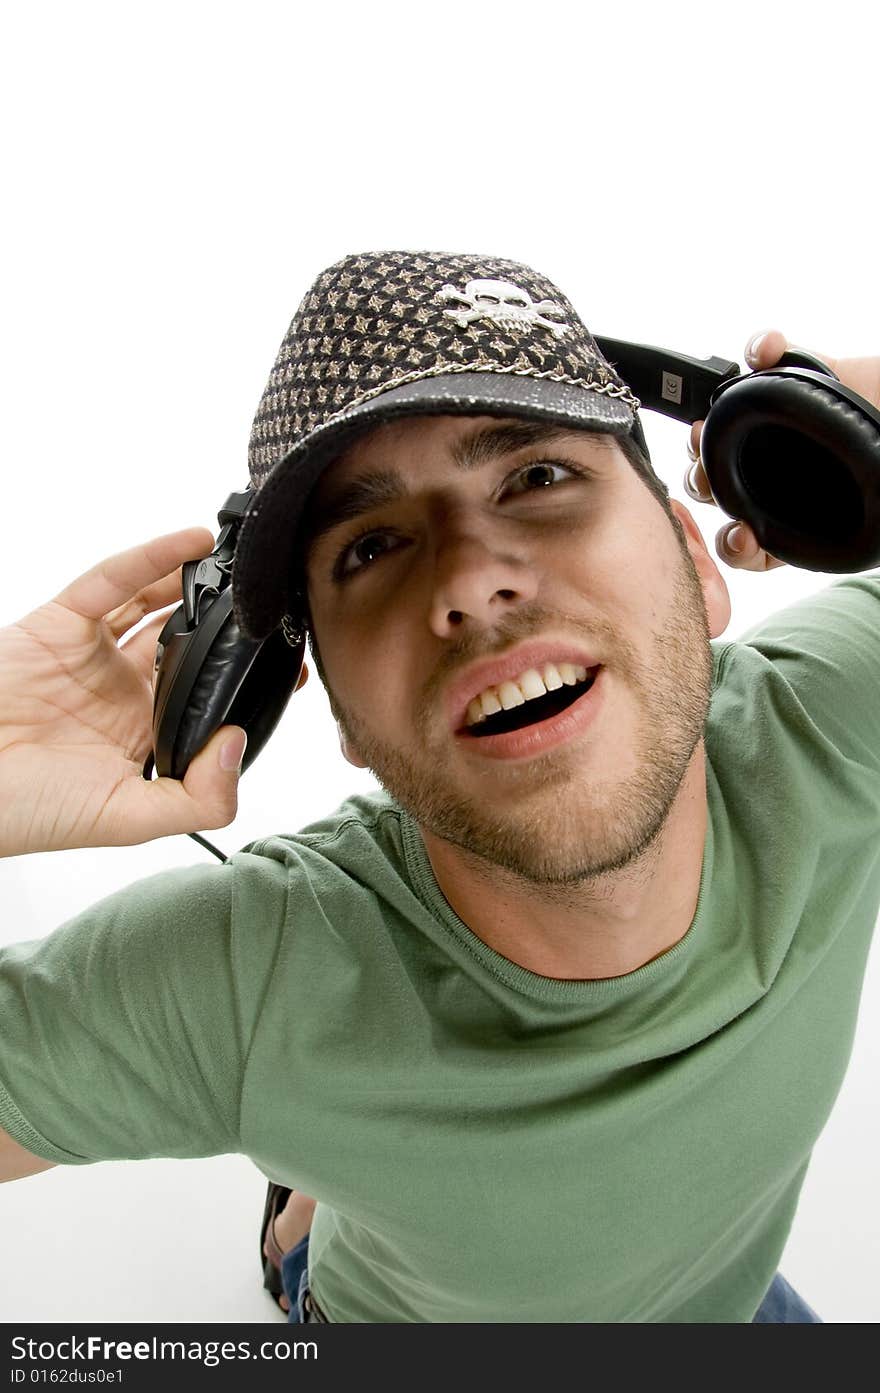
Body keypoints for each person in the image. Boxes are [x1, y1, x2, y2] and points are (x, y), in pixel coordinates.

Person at [0, 250, 877, 1325]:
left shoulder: (836, 720)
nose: (468, 580)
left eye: (536, 477)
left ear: (697, 565)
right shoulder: (259, 973)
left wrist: (855, 412)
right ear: (337, 713)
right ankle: (305, 1230)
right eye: (370, 547)